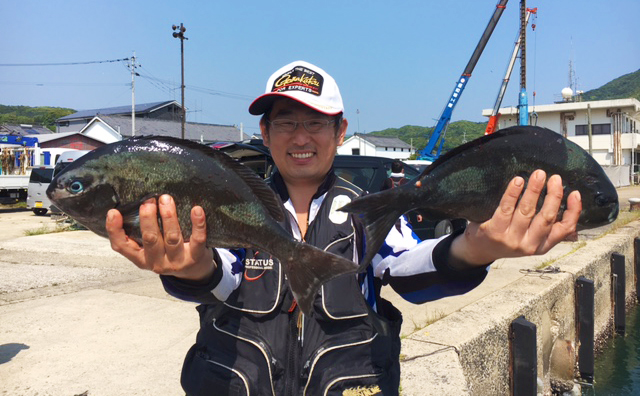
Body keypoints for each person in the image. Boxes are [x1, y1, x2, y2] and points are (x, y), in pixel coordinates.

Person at [105, 60, 581, 396]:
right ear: (265, 135)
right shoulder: (236, 203)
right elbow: (222, 276)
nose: (301, 136)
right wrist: (189, 269)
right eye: (286, 122)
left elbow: (405, 266)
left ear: (339, 131)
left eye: (316, 122)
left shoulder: (364, 209)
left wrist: (474, 247)